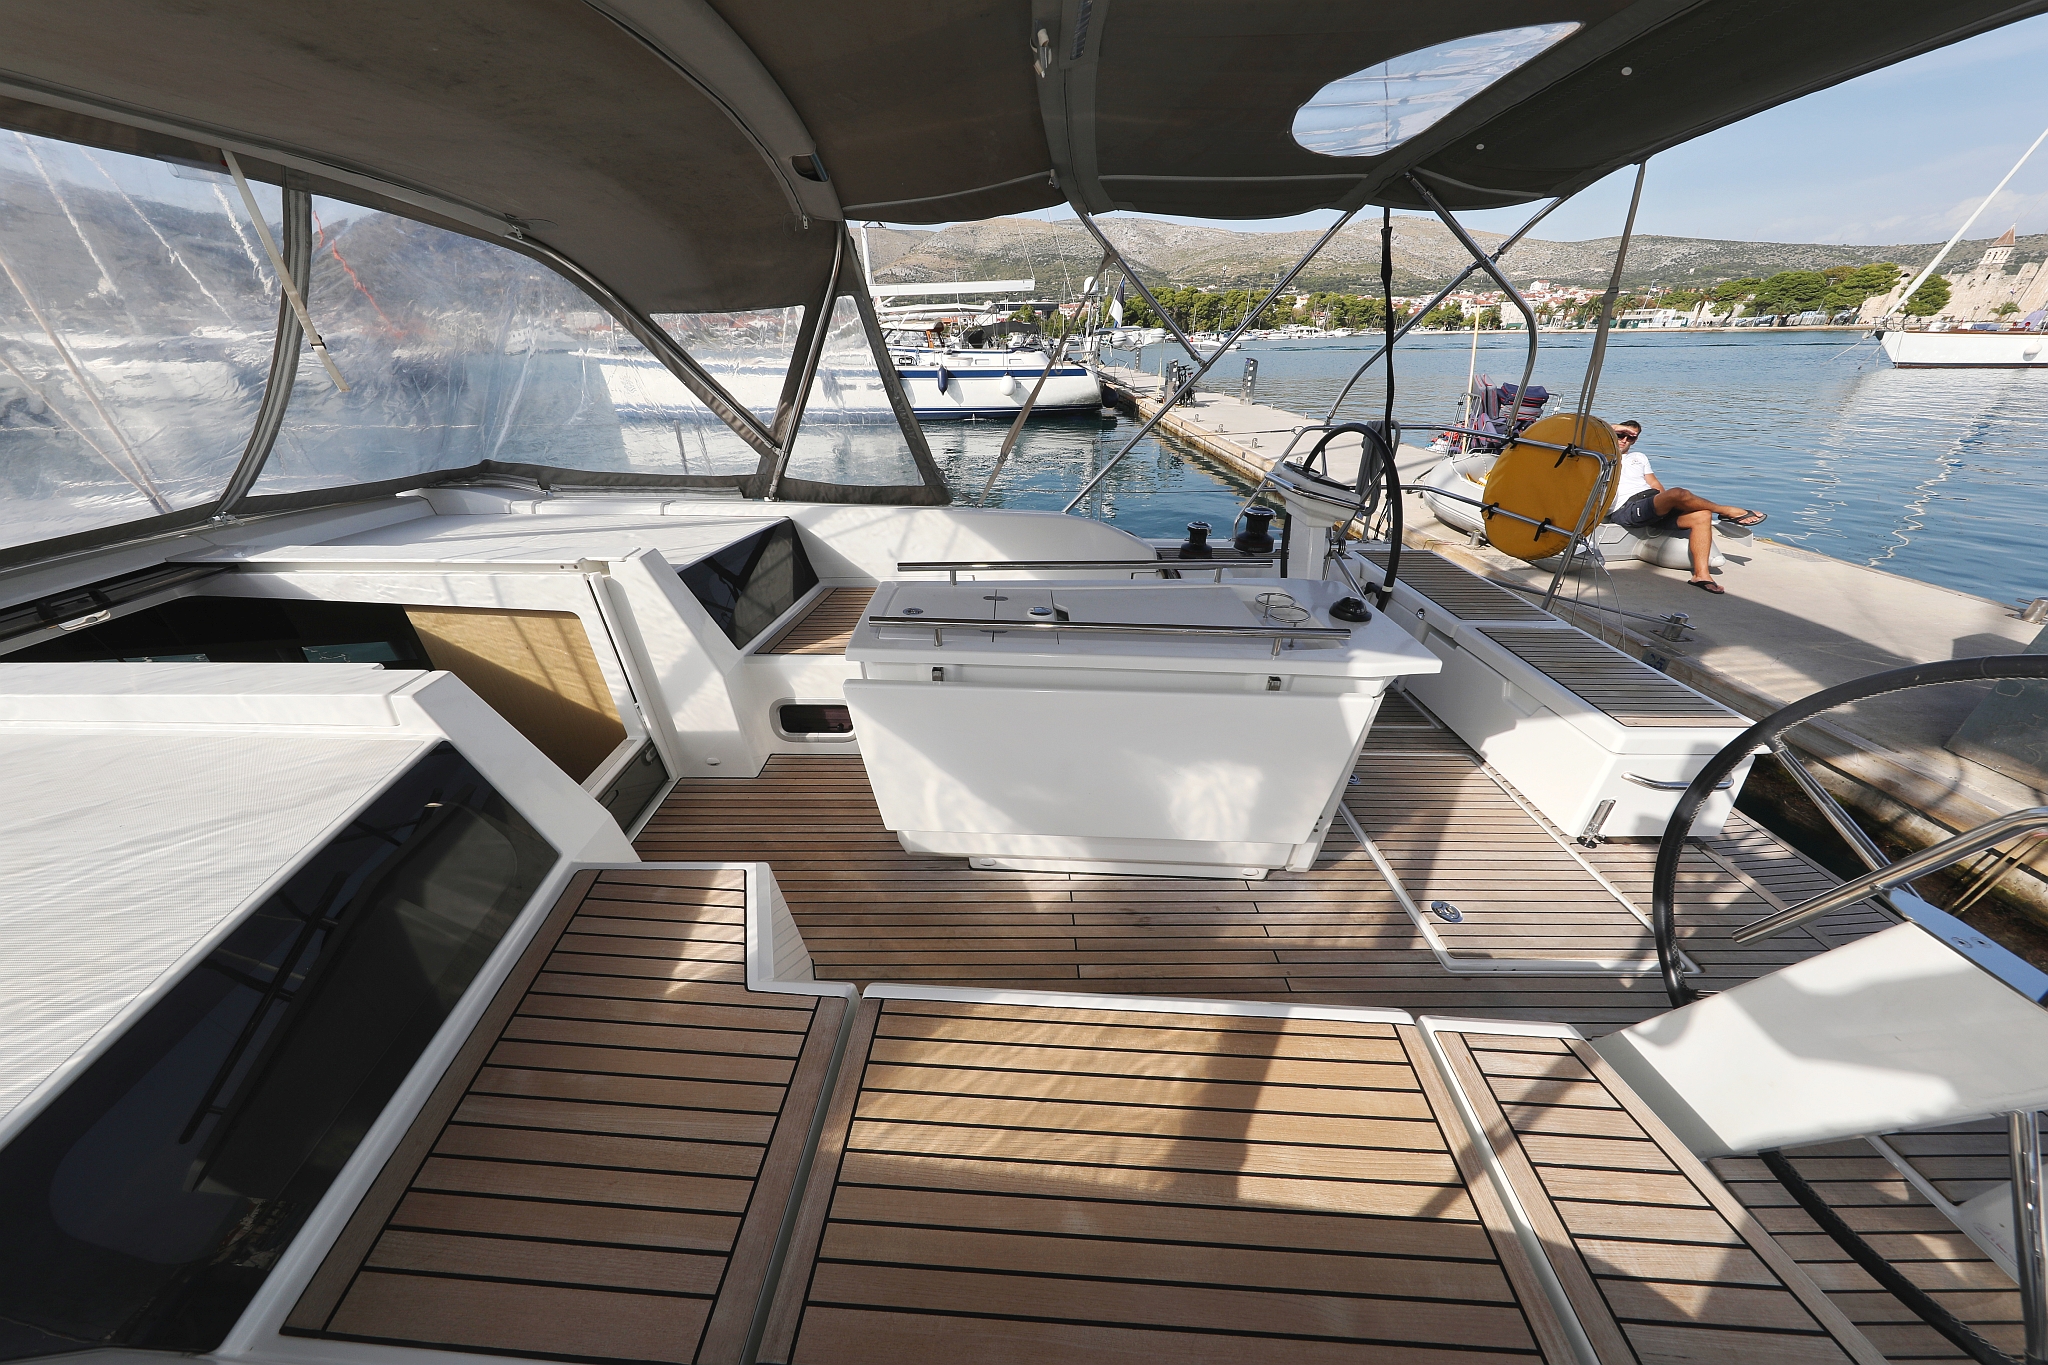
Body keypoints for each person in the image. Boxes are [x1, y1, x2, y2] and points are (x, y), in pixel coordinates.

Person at [1604, 419, 1765, 594]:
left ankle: (1701, 575)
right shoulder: (1602, 455)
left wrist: (1664, 503)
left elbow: (1655, 484)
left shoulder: (1639, 457)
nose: (1624, 440)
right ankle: (1727, 511)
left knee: (1702, 515)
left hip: (1650, 502)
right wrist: (1615, 429)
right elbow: (1591, 431)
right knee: (1678, 493)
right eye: (1620, 435)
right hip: (1626, 507)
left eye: (1631, 438)